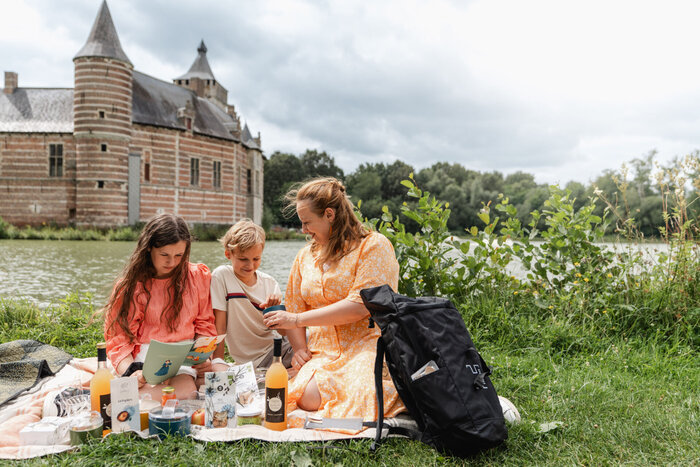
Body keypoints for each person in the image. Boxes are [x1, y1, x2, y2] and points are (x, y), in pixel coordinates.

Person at [263, 177, 405, 426]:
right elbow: (295, 306)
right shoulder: (304, 257)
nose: (304, 230)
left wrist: (295, 319)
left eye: (307, 222)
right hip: (322, 350)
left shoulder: (373, 246)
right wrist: (299, 350)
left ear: (329, 214)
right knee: (307, 397)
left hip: (366, 344)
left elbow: (360, 306)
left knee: (358, 395)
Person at [103, 213, 216, 400]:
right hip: (144, 360)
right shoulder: (133, 285)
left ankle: (123, 398)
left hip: (183, 357)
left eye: (179, 255)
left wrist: (203, 357)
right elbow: (119, 338)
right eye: (164, 255)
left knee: (187, 393)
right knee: (149, 393)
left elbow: (205, 324)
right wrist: (130, 372)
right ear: (149, 249)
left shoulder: (196, 277)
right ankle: (123, 396)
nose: (171, 262)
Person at [209, 219, 305, 370]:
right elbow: (219, 326)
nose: (250, 265)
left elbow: (282, 331)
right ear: (228, 254)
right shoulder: (222, 276)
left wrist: (276, 313)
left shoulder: (270, 283)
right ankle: (293, 373)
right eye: (243, 259)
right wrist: (218, 361)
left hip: (278, 349)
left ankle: (293, 373)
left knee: (315, 339)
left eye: (256, 259)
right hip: (255, 360)